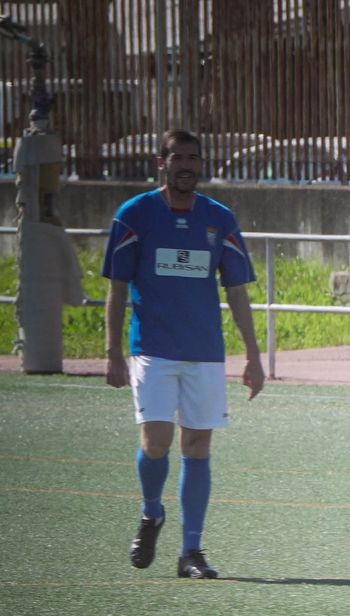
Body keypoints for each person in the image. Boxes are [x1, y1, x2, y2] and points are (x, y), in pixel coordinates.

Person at [102, 129, 264, 579]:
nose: (186, 166)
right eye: (178, 158)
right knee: (156, 443)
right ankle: (151, 511)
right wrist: (112, 352)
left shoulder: (219, 219)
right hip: (152, 349)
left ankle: (191, 552)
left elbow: (236, 290)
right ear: (162, 163)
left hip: (204, 353)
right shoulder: (134, 215)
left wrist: (253, 355)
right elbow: (117, 287)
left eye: (193, 158)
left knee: (197, 446)